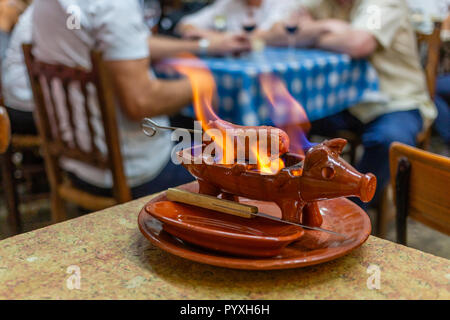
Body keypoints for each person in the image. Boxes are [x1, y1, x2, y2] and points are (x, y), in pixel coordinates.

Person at [13, 0, 250, 200]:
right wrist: (204, 83)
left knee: (192, 131)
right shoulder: (113, 5)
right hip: (138, 174)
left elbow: (126, 44)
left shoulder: (45, 5)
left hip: (77, 167)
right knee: (246, 162)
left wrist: (203, 45)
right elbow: (140, 101)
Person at [263, 0, 437, 208]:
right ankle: (288, 195)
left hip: (396, 101)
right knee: (281, 120)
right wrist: (326, 26)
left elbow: (358, 44)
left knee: (387, 141)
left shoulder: (382, 4)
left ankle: (346, 210)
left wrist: (307, 35)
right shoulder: (323, 5)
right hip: (346, 101)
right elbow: (273, 33)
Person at [176, 0, 298, 39]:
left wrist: (210, 36)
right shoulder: (228, 4)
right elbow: (184, 25)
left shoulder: (282, 2)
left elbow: (260, 36)